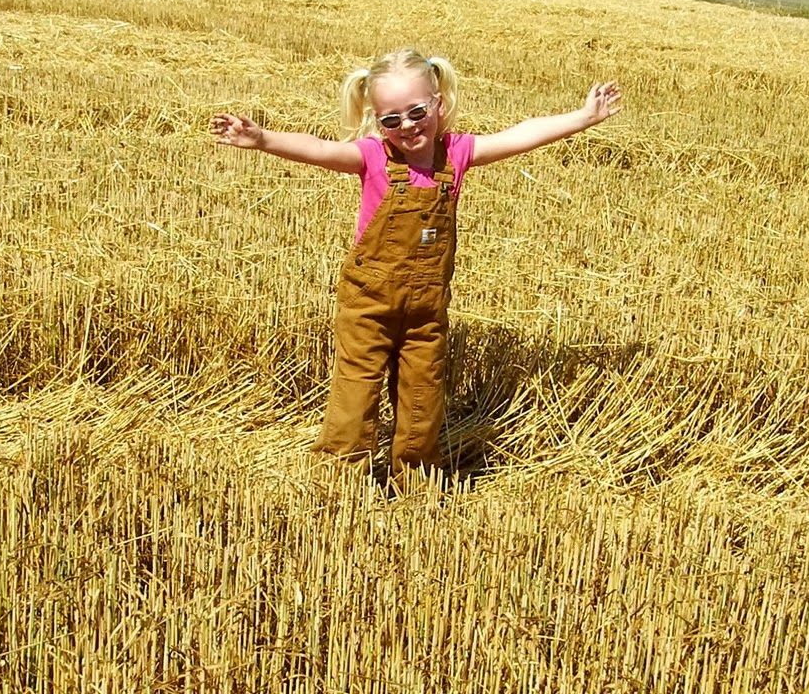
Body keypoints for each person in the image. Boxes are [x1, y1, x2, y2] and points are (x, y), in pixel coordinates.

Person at [210, 48, 621, 480]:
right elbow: (320, 149)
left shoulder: (457, 154)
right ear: (378, 122)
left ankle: (416, 479)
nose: (406, 126)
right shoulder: (372, 156)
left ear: (438, 104)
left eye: (416, 111)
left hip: (426, 310)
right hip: (368, 304)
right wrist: (262, 139)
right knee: (356, 390)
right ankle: (337, 475)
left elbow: (520, 134)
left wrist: (583, 117)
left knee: (423, 394)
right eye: (391, 119)